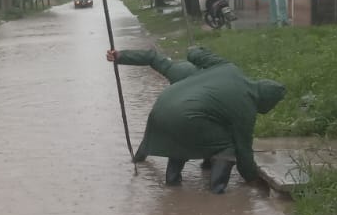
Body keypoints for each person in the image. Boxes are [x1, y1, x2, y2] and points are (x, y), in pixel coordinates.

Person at [108, 48, 286, 193]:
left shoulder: (224, 69)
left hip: (159, 110)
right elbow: (244, 149)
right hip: (187, 120)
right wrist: (252, 179)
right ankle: (217, 190)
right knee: (227, 144)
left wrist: (120, 56)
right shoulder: (246, 105)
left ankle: (172, 183)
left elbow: (159, 56)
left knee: (186, 132)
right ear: (264, 102)